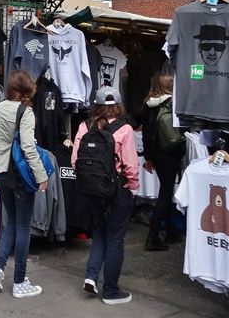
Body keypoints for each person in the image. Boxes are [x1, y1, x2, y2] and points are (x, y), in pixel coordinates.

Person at [72, 86, 139, 305]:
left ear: (96, 106)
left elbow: (75, 161)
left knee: (99, 232)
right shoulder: (125, 129)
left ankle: (91, 277)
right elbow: (130, 164)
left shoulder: (84, 126)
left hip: (91, 190)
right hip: (117, 189)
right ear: (118, 106)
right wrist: (133, 186)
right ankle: (110, 291)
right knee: (115, 238)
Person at [0, 70, 48, 299]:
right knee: (23, 227)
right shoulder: (26, 112)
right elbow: (28, 148)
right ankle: (20, 281)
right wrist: (42, 176)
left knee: (11, 222)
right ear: (28, 88)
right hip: (19, 173)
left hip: (0, 171)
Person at [142, 74, 184, 251]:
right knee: (166, 192)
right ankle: (153, 235)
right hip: (170, 152)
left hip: (156, 154)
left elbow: (146, 133)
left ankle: (171, 231)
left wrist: (148, 156)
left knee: (164, 190)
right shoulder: (172, 104)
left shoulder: (148, 104)